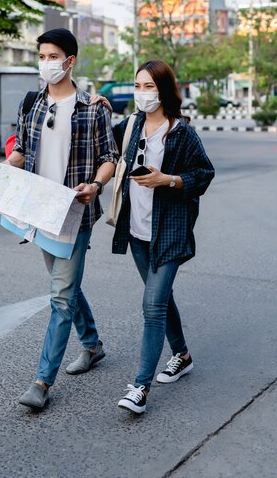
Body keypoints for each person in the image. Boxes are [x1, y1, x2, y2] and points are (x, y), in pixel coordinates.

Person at [6, 28, 118, 410]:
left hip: (75, 212)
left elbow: (110, 157)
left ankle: (41, 382)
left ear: (69, 61)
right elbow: (21, 148)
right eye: (41, 56)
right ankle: (92, 345)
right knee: (65, 286)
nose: (45, 63)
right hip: (40, 210)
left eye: (52, 56)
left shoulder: (93, 108)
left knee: (60, 296)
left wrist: (96, 185)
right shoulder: (31, 103)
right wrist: (6, 168)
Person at [97, 59, 214, 414]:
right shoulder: (129, 126)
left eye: (150, 86)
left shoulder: (181, 133)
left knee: (151, 306)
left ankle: (140, 388)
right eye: (138, 86)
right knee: (160, 298)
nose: (142, 93)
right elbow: (102, 143)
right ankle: (182, 354)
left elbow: (204, 174)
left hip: (171, 230)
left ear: (164, 90)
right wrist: (98, 106)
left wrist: (170, 180)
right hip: (137, 231)